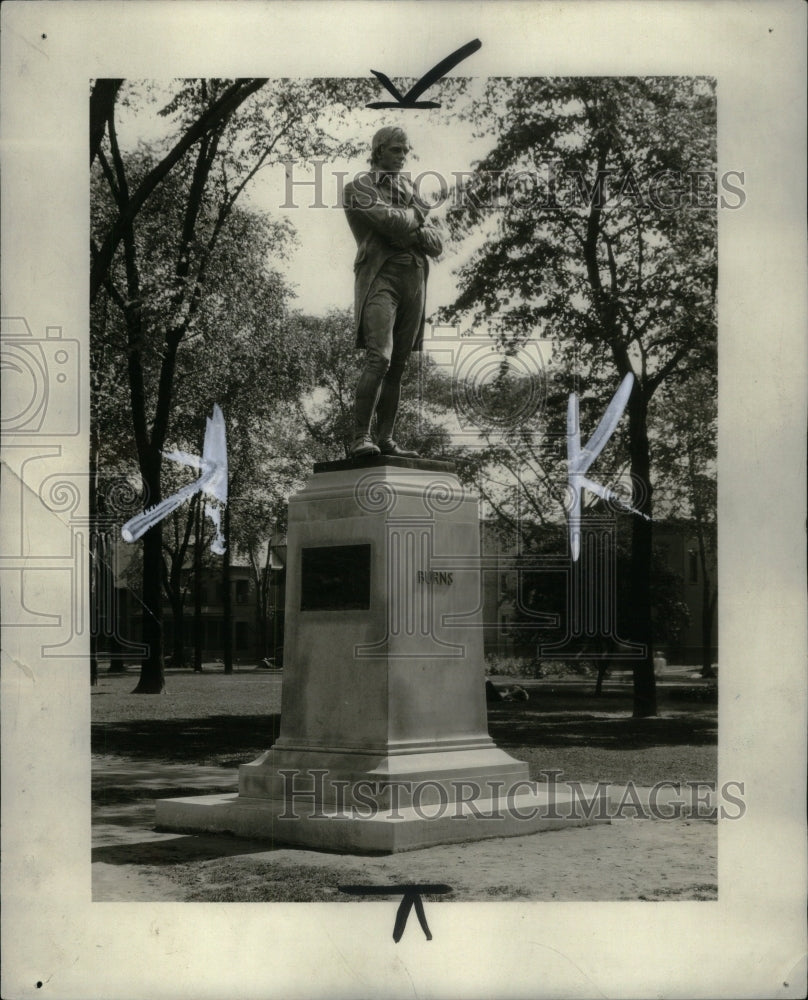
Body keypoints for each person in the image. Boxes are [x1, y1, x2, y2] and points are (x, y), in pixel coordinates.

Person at [342, 126, 443, 458]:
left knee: (398, 365)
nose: (402, 157)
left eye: (406, 151)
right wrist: (418, 218)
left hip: (413, 278)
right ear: (379, 150)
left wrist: (412, 226)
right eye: (397, 150)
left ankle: (385, 439)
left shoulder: (409, 189)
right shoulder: (359, 187)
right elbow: (389, 223)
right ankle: (360, 437)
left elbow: (437, 242)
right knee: (379, 357)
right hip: (380, 277)